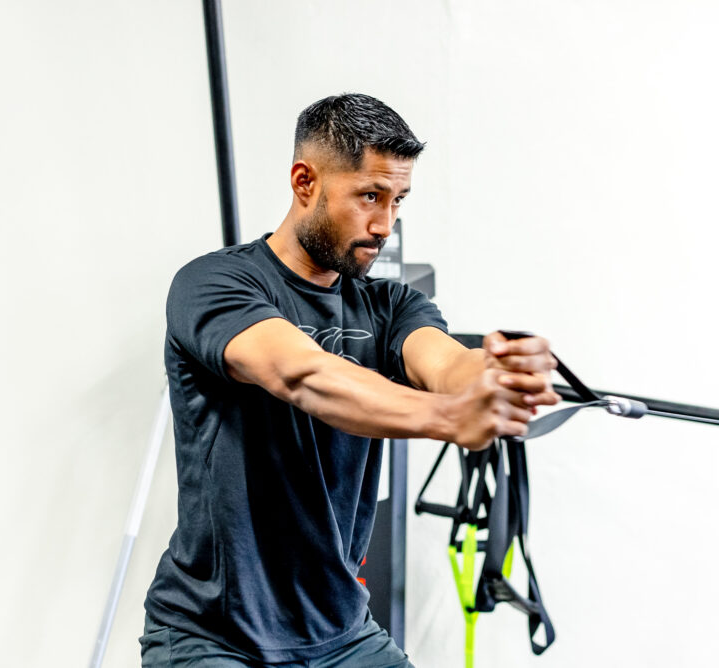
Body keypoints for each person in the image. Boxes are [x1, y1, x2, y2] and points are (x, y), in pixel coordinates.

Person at [140, 93, 560, 667]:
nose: (385, 224)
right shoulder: (215, 283)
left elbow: (444, 364)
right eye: (369, 196)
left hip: (342, 632)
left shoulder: (391, 306)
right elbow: (302, 374)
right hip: (214, 637)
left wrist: (496, 373)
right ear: (305, 182)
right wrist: (448, 417)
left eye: (398, 200)